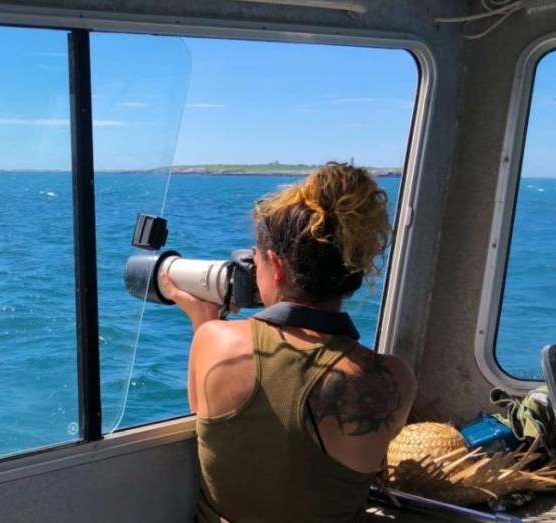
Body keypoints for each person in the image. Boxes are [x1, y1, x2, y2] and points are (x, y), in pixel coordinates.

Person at [159, 162, 417, 522]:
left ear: (276, 267)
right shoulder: (393, 378)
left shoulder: (214, 342)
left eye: (257, 261)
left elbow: (204, 412)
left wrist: (204, 322)